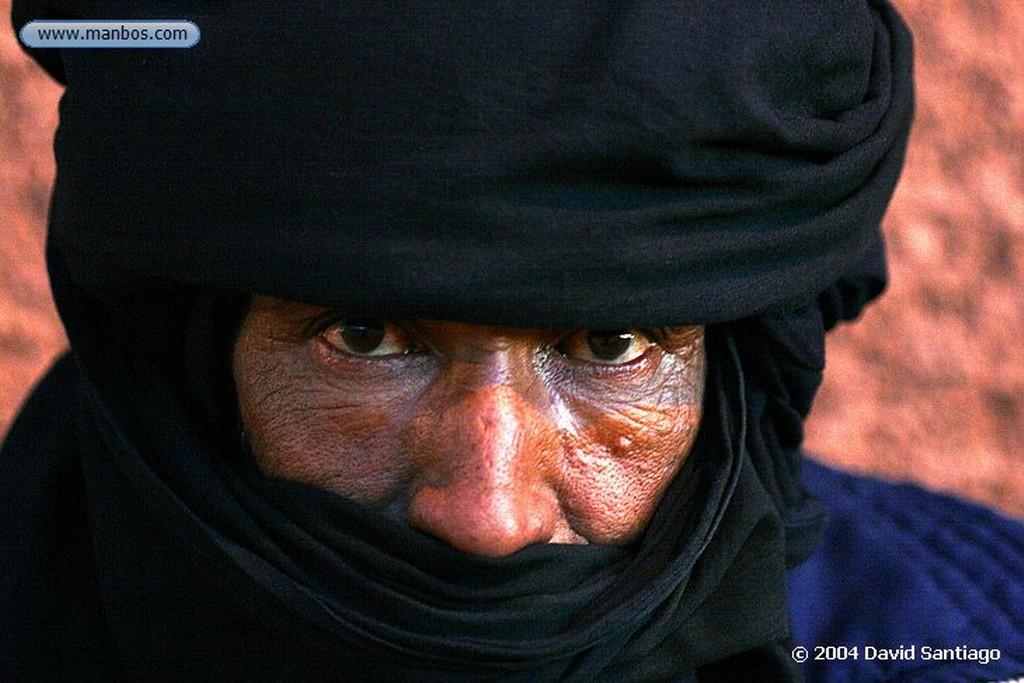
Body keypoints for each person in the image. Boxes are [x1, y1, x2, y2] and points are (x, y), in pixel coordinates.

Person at [2, 1, 1021, 681]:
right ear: (187, 360)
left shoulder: (979, 637)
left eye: (611, 343)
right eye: (364, 337)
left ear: (742, 360)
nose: (488, 512)